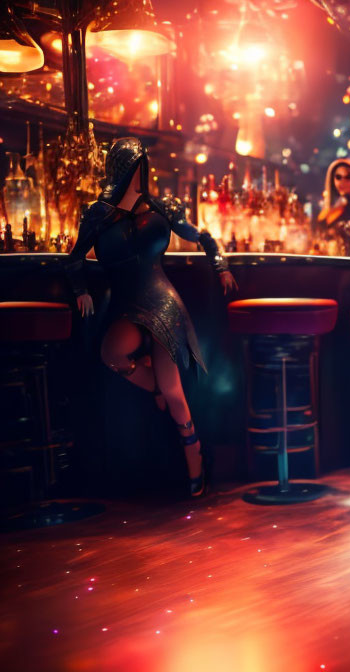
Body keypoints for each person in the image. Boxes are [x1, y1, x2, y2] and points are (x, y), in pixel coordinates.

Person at [65, 138, 238, 497]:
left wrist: (219, 264)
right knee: (112, 354)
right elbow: (75, 259)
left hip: (161, 299)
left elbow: (202, 235)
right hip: (125, 303)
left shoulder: (162, 206)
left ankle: (196, 464)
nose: (142, 172)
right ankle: (156, 390)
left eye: (143, 165)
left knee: (175, 393)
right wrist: (80, 289)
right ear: (123, 167)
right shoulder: (97, 213)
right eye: (136, 165)